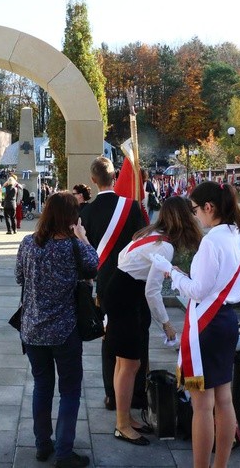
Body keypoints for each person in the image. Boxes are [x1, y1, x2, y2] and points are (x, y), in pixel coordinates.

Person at [150, 181, 240, 468]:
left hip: (207, 323)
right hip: (227, 320)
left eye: (195, 209)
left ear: (209, 207)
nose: (194, 216)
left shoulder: (212, 241)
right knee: (224, 399)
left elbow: (198, 290)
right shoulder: (237, 235)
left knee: (203, 405)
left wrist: (170, 271)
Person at [107, 197, 202, 446]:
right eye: (192, 213)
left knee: (124, 362)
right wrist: (167, 324)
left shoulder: (151, 233)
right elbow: (152, 291)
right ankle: (122, 425)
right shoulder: (164, 246)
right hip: (128, 297)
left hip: (120, 290)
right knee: (130, 364)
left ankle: (124, 416)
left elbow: (122, 258)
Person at [16, 192, 98, 467]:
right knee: (70, 390)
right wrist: (83, 237)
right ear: (71, 217)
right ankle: (64, 452)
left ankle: (42, 444)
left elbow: (19, 277)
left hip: (33, 328)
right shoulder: (73, 247)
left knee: (42, 386)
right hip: (65, 331)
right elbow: (93, 267)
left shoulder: (28, 244)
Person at [79, 157, 146, 412]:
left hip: (105, 283)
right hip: (133, 280)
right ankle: (137, 391)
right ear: (115, 177)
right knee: (137, 334)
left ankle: (111, 393)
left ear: (93, 180)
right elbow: (142, 241)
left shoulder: (85, 212)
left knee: (110, 338)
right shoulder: (132, 207)